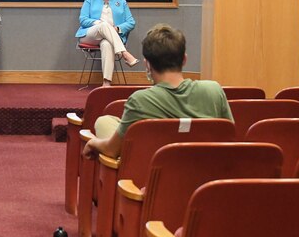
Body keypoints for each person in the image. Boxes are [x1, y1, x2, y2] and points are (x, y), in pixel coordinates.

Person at [82, 23, 232, 159]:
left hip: (150, 179)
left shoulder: (140, 101)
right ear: (184, 59)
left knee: (104, 122)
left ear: (147, 64)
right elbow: (230, 137)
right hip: (204, 174)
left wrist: (94, 143)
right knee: (107, 121)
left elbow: (111, 150)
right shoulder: (214, 90)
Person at [75, 0, 139, 86]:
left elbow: (131, 23)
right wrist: (99, 23)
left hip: (110, 38)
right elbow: (83, 19)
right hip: (89, 36)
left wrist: (117, 28)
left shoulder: (121, 2)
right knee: (104, 26)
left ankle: (106, 83)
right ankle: (124, 53)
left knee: (107, 44)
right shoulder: (90, 0)